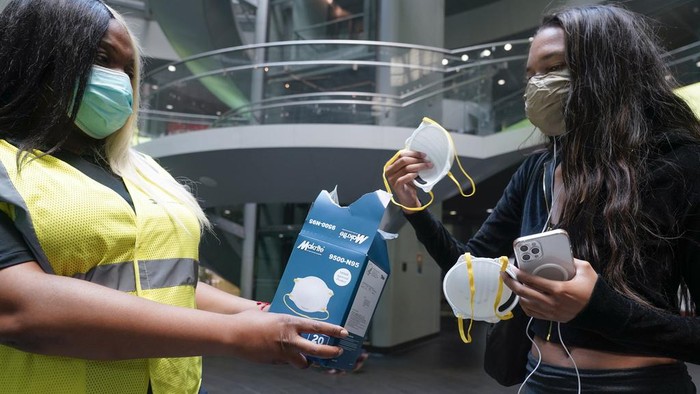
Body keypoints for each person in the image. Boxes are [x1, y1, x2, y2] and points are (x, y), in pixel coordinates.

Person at [0, 1, 348, 393]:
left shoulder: (142, 169)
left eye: (127, 69)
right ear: (36, 57)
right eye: (101, 58)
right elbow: (19, 307)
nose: (120, 81)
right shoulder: (5, 166)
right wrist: (233, 333)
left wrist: (266, 315)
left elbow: (168, 282)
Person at [386, 4, 700, 393]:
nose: (537, 85)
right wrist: (415, 208)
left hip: (637, 385)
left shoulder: (680, 164)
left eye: (552, 68)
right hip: (539, 380)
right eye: (531, 75)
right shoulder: (538, 171)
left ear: (609, 70)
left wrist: (598, 306)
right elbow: (469, 270)